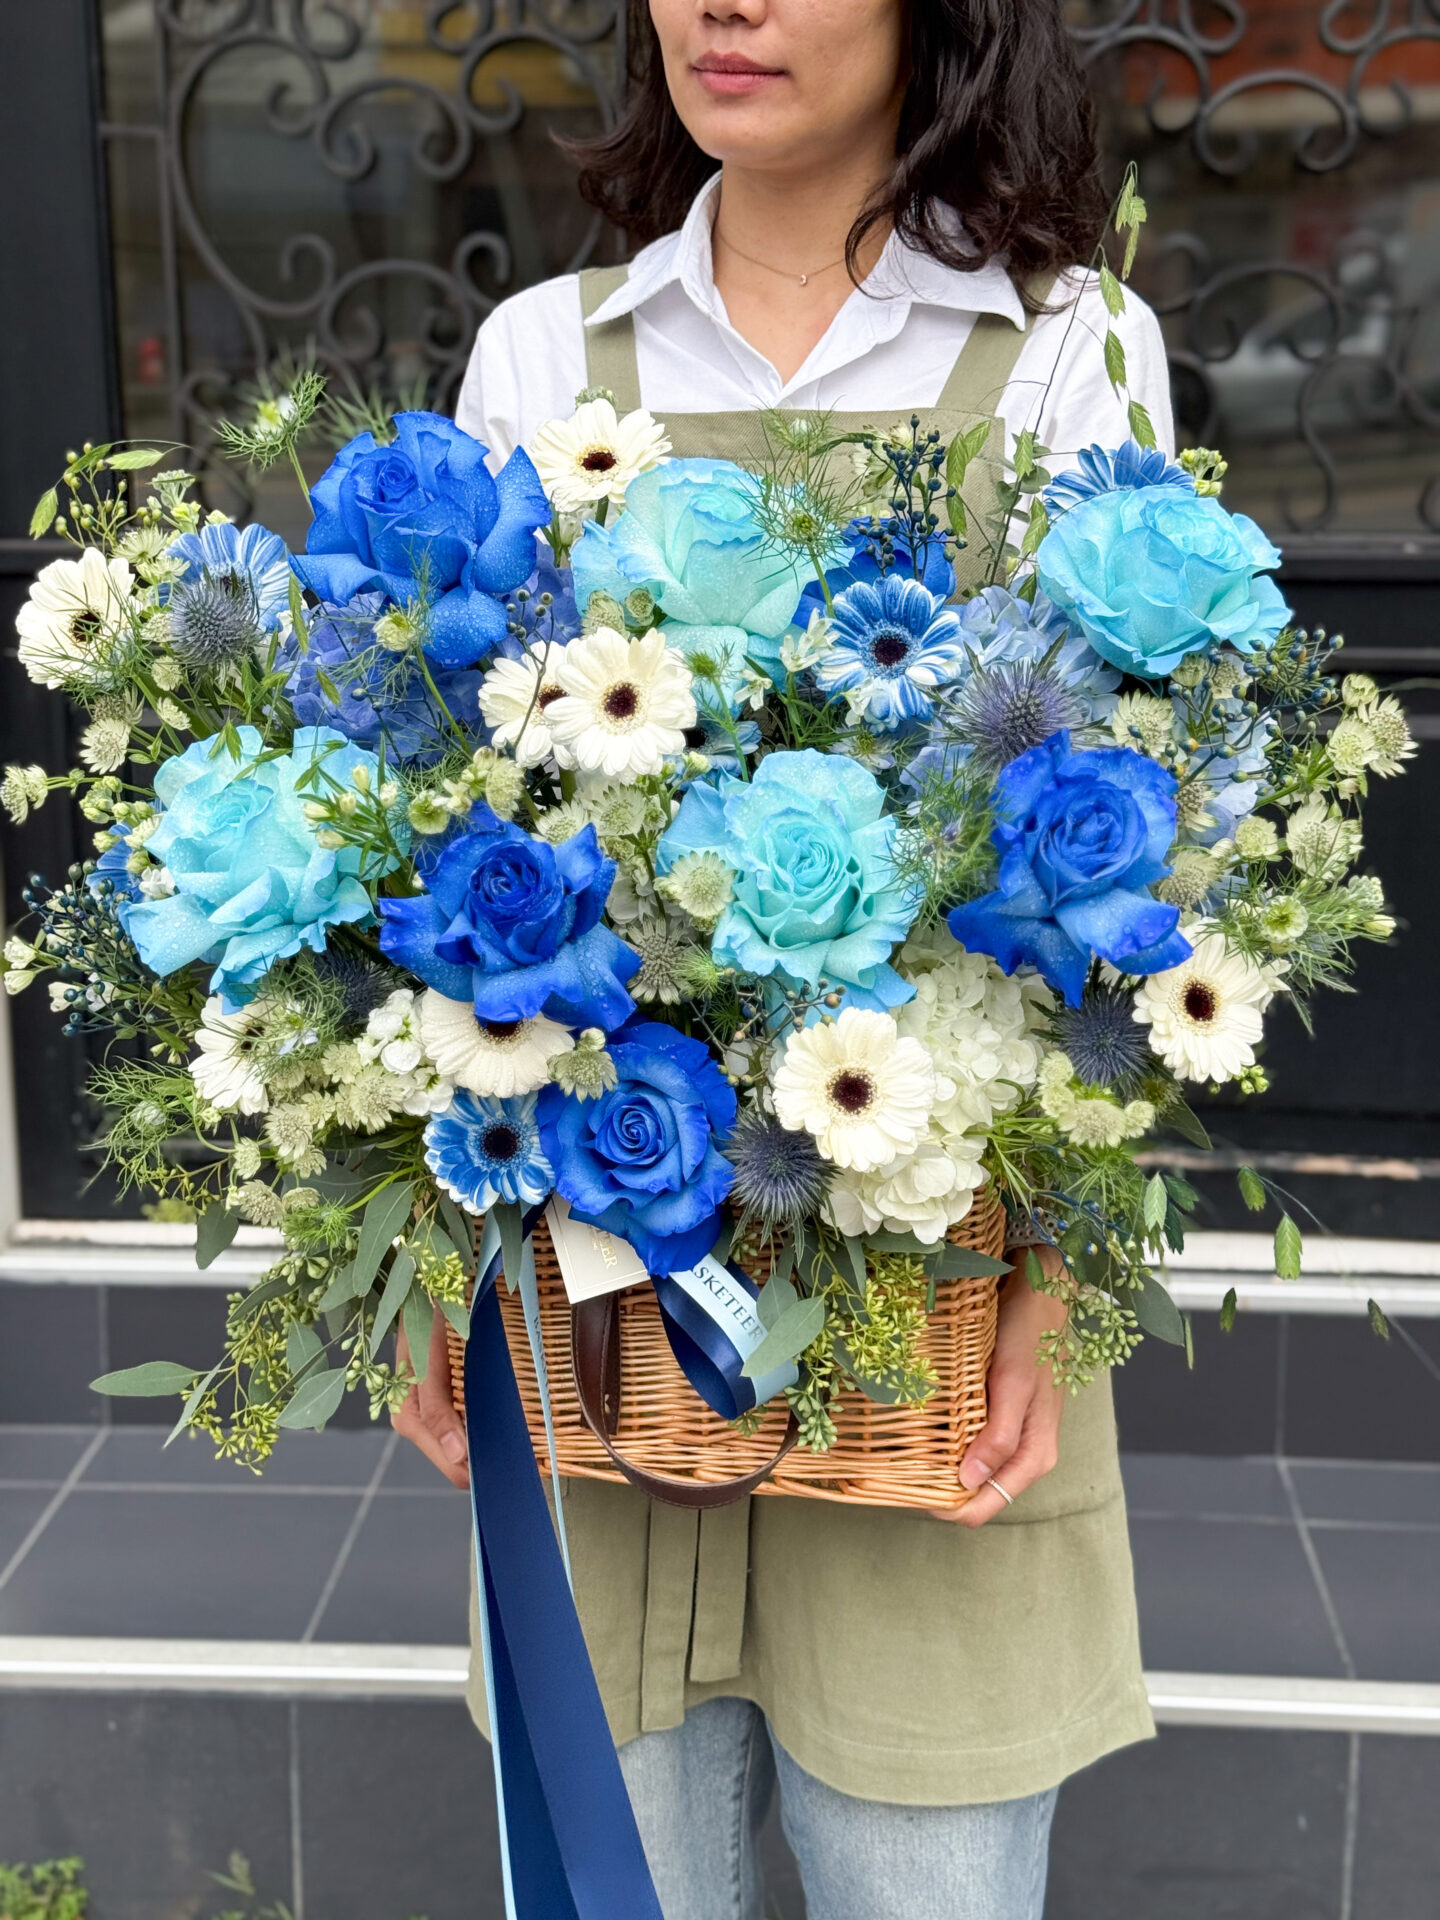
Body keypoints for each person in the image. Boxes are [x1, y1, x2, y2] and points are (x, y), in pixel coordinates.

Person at [396, 3, 1169, 1915]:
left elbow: (1164, 846)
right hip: (601, 1331)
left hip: (922, 1334)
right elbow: (440, 822)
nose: (723, 5)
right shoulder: (545, 357)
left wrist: (1050, 1293)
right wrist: (427, 1241)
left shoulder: (1065, 349)